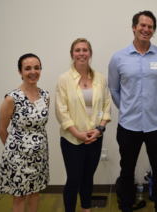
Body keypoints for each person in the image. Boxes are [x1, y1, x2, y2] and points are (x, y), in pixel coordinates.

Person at [108, 10, 157, 212]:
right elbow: (114, 89)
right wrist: (126, 108)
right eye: (142, 25)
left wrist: (156, 107)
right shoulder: (118, 58)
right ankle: (126, 206)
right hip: (128, 125)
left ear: (153, 30)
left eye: (150, 27)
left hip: (156, 124)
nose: (146, 29)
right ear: (134, 27)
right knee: (127, 170)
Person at [55, 38, 111, 212]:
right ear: (72, 54)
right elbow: (61, 111)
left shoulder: (100, 78)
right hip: (72, 139)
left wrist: (99, 129)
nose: (81, 53)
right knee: (74, 180)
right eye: (77, 50)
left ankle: (86, 209)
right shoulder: (64, 79)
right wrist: (77, 133)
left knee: (88, 178)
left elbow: (106, 104)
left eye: (85, 50)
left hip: (95, 137)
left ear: (90, 54)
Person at [0, 53, 50, 212]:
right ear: (20, 72)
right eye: (27, 68)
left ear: (41, 69)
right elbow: (1, 129)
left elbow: (40, 125)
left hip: (40, 155)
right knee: (19, 196)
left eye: (36, 67)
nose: (33, 72)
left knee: (35, 192)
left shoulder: (45, 96)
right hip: (18, 157)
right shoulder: (11, 98)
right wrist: (15, 152)